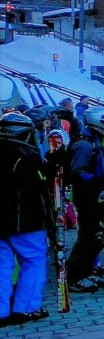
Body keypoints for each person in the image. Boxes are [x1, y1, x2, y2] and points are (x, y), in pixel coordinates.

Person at [0, 112, 52, 326]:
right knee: (34, 260)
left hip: (2, 222)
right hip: (25, 221)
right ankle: (26, 307)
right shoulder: (26, 155)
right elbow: (38, 190)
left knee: (2, 264)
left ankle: (1, 310)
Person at [64, 108, 104, 293]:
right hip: (87, 197)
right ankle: (74, 276)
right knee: (88, 236)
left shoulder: (93, 140)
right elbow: (77, 172)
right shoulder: (84, 144)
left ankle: (85, 271)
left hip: (94, 195)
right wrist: (99, 179)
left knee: (97, 236)